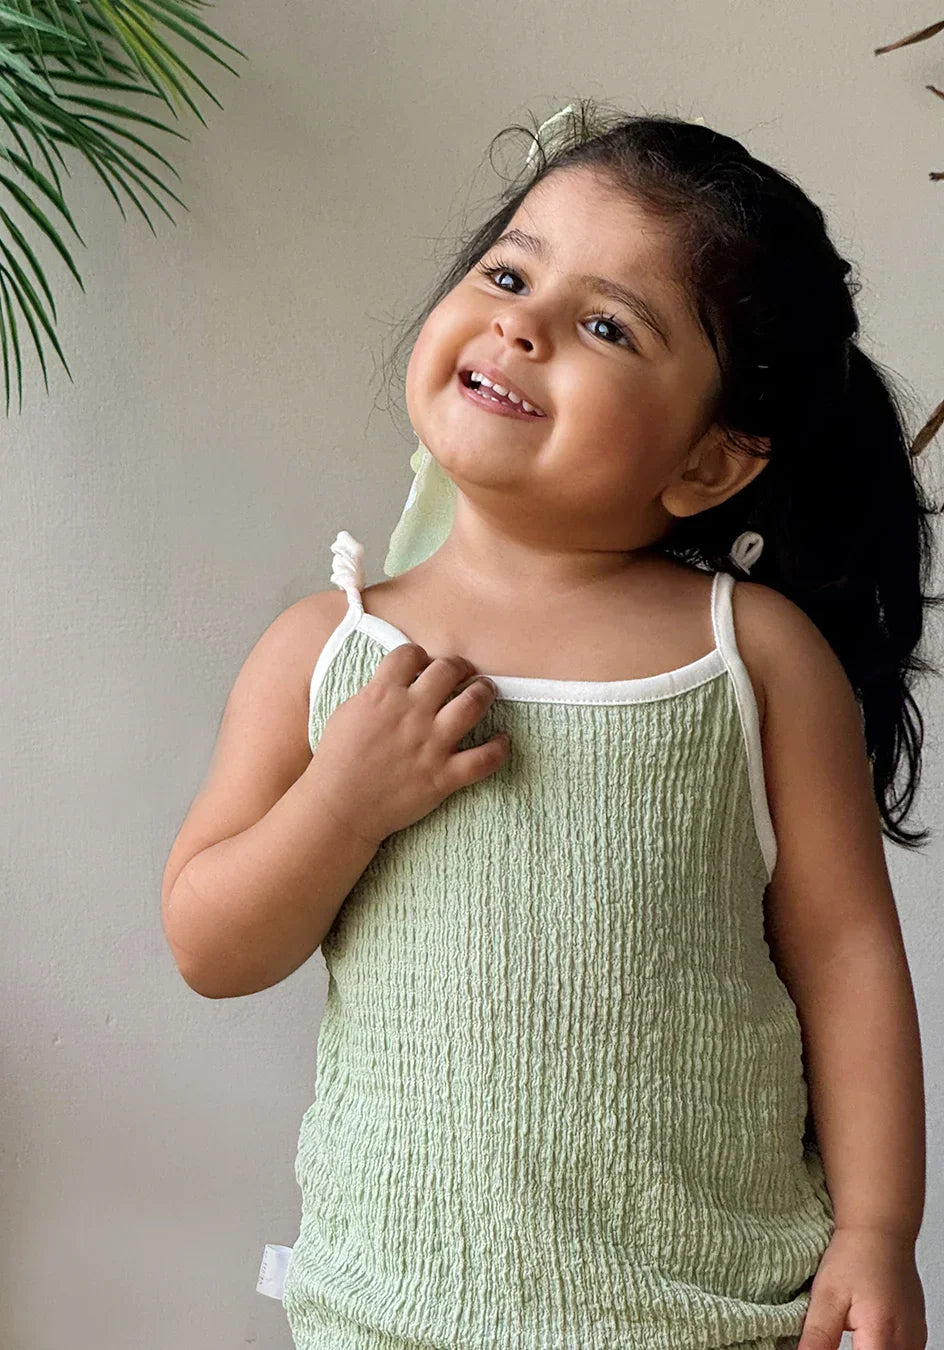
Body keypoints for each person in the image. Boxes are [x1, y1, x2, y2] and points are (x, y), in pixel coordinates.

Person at [160, 101, 934, 1349]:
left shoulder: (752, 659)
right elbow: (211, 944)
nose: (520, 320)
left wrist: (877, 1233)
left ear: (710, 464)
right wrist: (342, 800)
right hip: (392, 1310)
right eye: (511, 272)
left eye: (605, 324)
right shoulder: (328, 649)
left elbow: (848, 959)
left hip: (710, 1314)